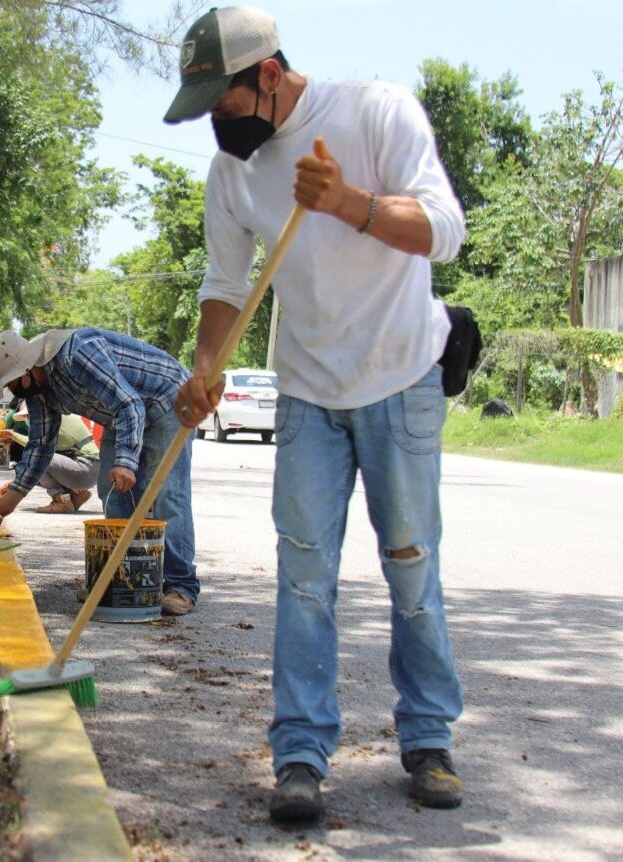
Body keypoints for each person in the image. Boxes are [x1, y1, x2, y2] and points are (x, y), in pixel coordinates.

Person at [165, 5, 466, 821]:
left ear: (267, 74)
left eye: (221, 105)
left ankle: (429, 737)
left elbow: (445, 231)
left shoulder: (375, 110)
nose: (216, 128)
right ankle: (299, 753)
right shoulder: (232, 173)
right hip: (305, 391)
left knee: (410, 564)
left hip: (401, 376)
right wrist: (205, 369)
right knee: (303, 579)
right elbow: (226, 286)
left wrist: (348, 202)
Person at [0, 328, 199, 616]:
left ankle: (181, 585)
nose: (11, 391)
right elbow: (41, 444)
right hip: (124, 414)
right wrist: (12, 499)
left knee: (167, 492)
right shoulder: (37, 390)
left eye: (11, 383)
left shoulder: (77, 354)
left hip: (170, 400)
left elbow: (129, 403)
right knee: (113, 492)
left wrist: (126, 460)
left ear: (28, 369)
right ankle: (124, 580)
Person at [0, 404, 99, 513]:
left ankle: (61, 501)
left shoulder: (56, 422)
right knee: (40, 470)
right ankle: (77, 494)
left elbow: (39, 448)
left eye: (29, 416)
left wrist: (12, 435)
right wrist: (16, 483)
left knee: (39, 459)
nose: (29, 420)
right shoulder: (59, 418)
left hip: (86, 468)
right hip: (88, 470)